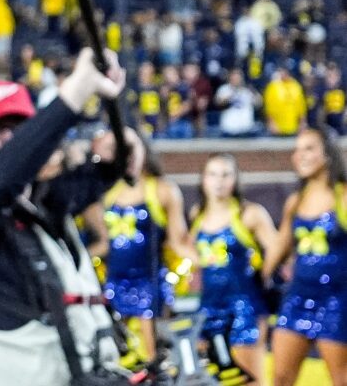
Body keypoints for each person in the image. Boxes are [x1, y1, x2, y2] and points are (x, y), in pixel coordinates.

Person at [0, 51, 132, 386]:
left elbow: (93, 177)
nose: (10, 143)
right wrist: (77, 90)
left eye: (19, 132)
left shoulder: (42, 206)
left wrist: (120, 155)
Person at [264, 127, 347, 386]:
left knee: (341, 379)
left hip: (337, 301)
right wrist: (256, 278)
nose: (301, 155)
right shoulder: (295, 201)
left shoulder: (343, 197)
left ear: (328, 154)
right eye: (297, 150)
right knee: (280, 378)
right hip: (298, 297)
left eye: (309, 148)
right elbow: (279, 248)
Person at [100, 127, 191, 360]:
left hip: (149, 284)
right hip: (113, 283)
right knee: (117, 355)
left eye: (131, 150)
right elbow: (101, 243)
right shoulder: (107, 192)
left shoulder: (162, 190)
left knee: (153, 358)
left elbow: (178, 241)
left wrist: (199, 263)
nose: (127, 157)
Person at [188, 153, 279, 385]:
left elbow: (279, 249)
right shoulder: (197, 214)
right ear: (203, 180)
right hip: (208, 308)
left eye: (226, 174)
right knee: (210, 378)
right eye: (213, 174)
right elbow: (191, 253)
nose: (219, 181)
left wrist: (264, 273)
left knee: (249, 379)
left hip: (245, 307)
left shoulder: (249, 213)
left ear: (236, 180)